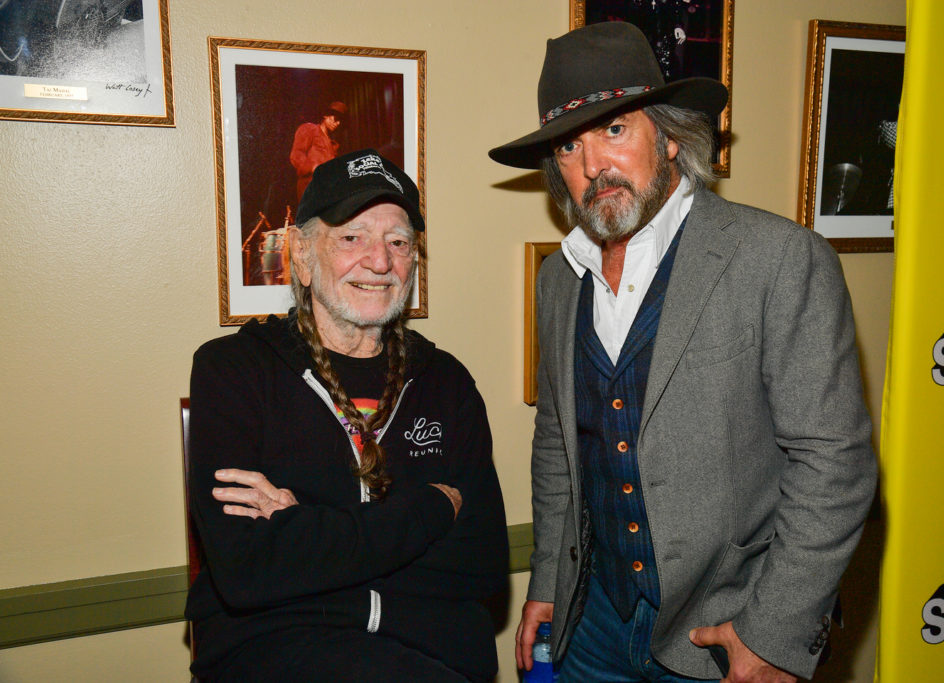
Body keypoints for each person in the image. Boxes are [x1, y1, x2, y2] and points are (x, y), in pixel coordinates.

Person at [488, 22, 877, 682]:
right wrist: (549, 584)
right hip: (593, 628)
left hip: (725, 636)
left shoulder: (778, 259)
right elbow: (559, 441)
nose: (592, 165)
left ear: (668, 134)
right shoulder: (559, 279)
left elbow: (834, 463)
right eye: (568, 145)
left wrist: (775, 635)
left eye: (615, 130)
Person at [185, 149, 509, 682]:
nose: (380, 262)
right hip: (274, 653)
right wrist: (430, 509)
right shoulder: (232, 370)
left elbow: (483, 562)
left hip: (435, 651)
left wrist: (302, 534)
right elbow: (245, 571)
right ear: (305, 259)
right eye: (352, 238)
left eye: (398, 242)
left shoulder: (446, 382)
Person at [289, 101, 347, 203]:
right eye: (336, 119)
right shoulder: (310, 129)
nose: (338, 123)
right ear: (326, 115)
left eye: (340, 121)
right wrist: (312, 167)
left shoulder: (333, 145)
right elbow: (296, 155)